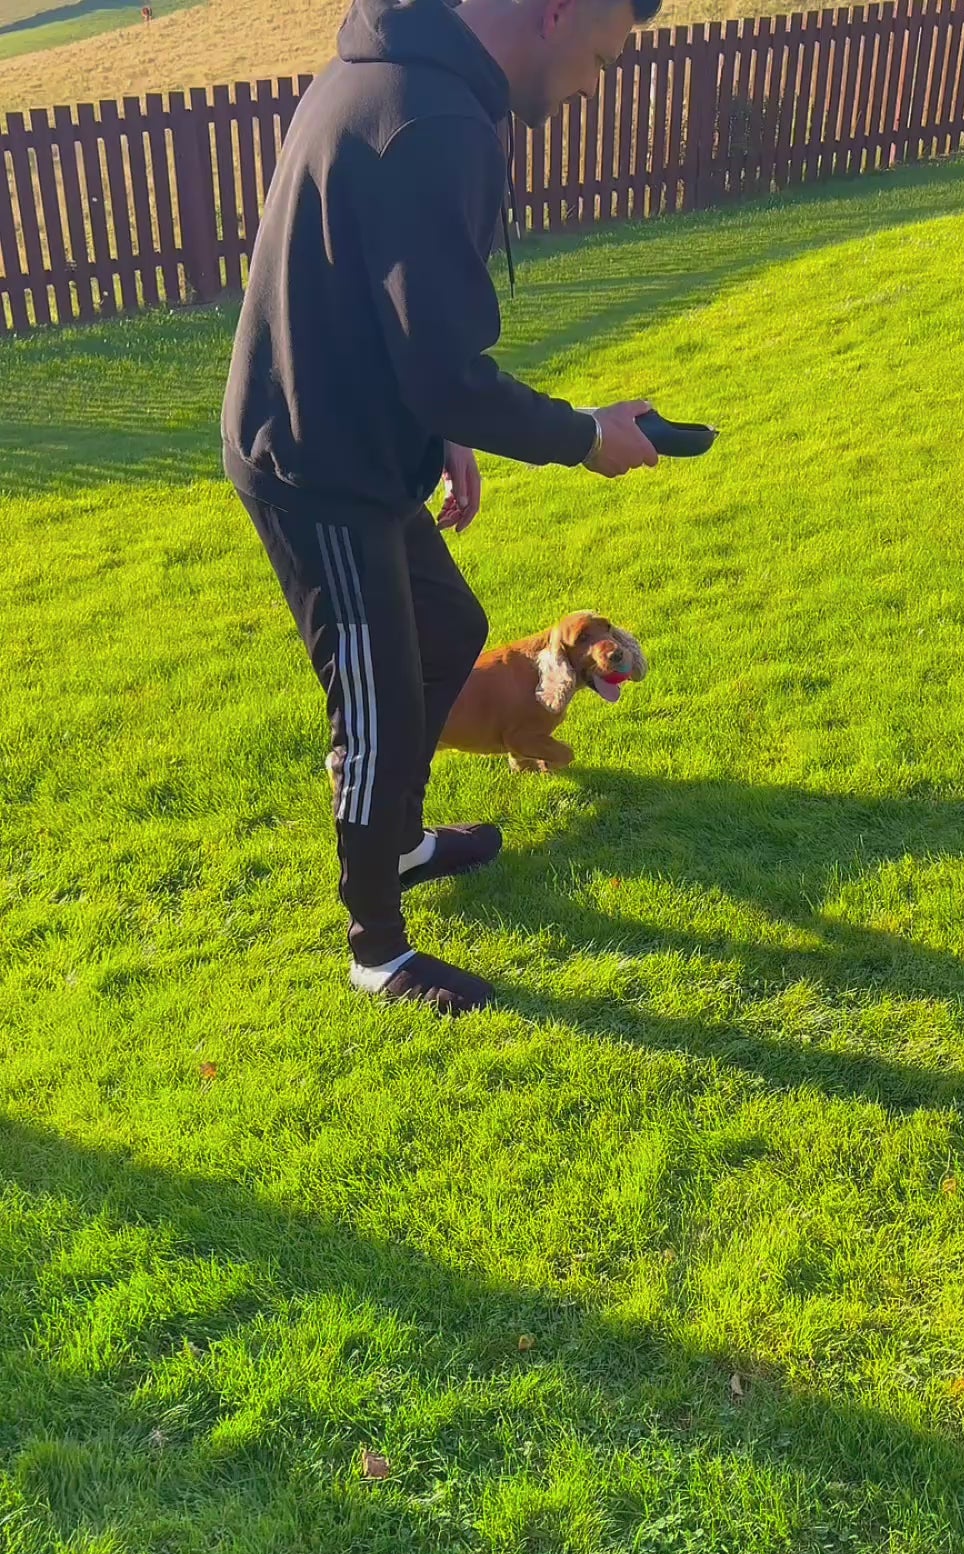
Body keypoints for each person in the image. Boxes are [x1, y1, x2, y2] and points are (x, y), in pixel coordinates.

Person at [222, 0, 661, 1015]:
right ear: (558, 13)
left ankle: (401, 841)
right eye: (602, 58)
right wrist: (586, 436)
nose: (593, 85)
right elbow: (443, 371)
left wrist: (442, 422)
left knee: (451, 630)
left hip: (357, 443)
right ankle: (376, 953)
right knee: (376, 701)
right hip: (316, 464)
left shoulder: (402, 81)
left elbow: (391, 308)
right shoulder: (433, 119)